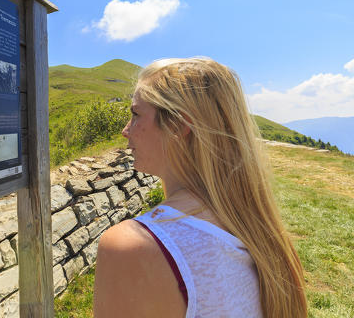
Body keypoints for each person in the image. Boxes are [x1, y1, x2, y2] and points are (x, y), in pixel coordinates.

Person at [93, 57, 306, 318]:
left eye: (136, 114)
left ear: (178, 125)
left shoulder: (135, 246)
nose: (127, 130)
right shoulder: (262, 235)